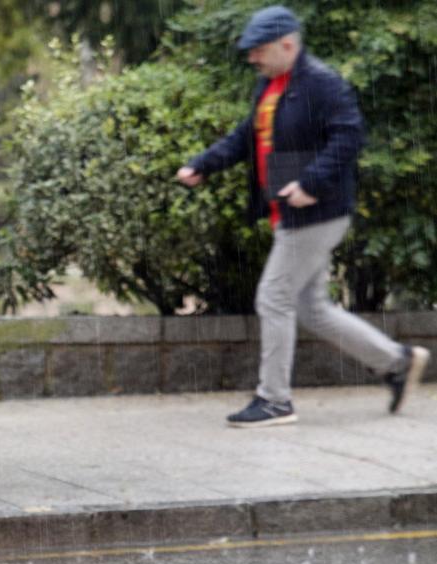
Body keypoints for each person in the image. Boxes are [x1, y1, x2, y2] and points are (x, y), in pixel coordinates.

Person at [175, 5, 429, 428]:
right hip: (291, 212)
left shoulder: (322, 84)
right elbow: (246, 135)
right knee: (312, 309)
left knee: (272, 296)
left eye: (258, 51)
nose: (252, 58)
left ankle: (274, 401)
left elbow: (349, 137)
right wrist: (204, 164)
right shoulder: (271, 85)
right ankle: (397, 362)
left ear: (287, 44)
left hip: (318, 211)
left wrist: (311, 183)